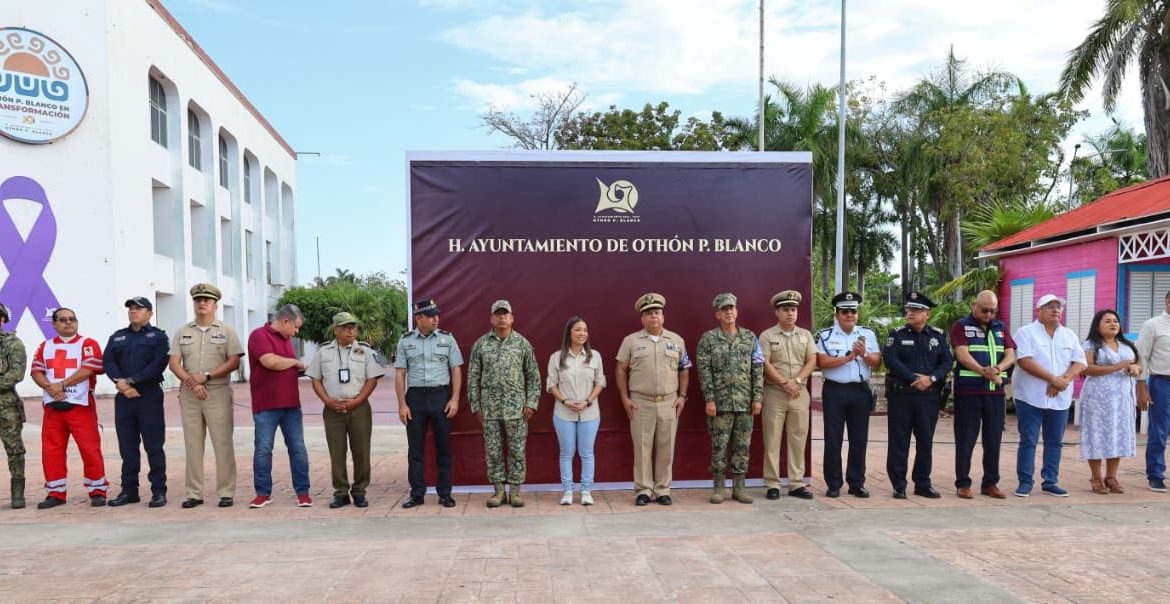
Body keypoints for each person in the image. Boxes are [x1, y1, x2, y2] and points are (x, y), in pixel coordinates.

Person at [168, 283, 244, 508]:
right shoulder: (183, 331)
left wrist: (207, 377)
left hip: (217, 392)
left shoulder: (226, 331)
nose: (202, 303)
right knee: (192, 444)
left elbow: (234, 361)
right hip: (190, 394)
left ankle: (226, 492)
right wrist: (193, 382)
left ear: (215, 305)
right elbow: (174, 363)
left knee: (222, 443)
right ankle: (194, 493)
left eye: (207, 300)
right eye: (198, 300)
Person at [616, 292, 692, 506]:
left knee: (666, 448)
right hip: (641, 403)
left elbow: (684, 370)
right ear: (642, 318)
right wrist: (624, 398)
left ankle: (663, 489)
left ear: (663, 316)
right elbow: (620, 369)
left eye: (657, 313)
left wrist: (683, 396)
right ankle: (643, 489)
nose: (654, 317)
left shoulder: (676, 340)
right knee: (642, 448)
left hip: (669, 402)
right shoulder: (631, 341)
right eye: (649, 314)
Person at [29, 308, 108, 508]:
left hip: (80, 406)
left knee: (90, 449)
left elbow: (90, 368)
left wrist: (60, 385)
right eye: (62, 320)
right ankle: (55, 493)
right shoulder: (44, 346)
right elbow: (36, 371)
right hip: (52, 407)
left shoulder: (87, 344)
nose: (68, 323)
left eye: (72, 319)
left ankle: (97, 490)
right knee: (51, 450)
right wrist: (50, 388)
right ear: (54, 324)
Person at [467, 300, 540, 508]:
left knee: (517, 450)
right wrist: (476, 406)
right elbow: (473, 377)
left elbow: (534, 375)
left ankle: (515, 492)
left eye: (505, 314)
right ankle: (498, 492)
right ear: (491, 318)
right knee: (493, 451)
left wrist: (531, 403)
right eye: (497, 314)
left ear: (512, 318)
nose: (501, 317)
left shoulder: (522, 344)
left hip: (517, 409)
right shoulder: (481, 345)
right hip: (489, 410)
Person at [1012, 294, 1087, 497]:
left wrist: (1063, 379)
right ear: (1038, 311)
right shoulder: (1025, 332)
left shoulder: (1069, 335)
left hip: (1060, 397)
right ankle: (1025, 482)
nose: (1056, 310)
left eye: (1058, 307)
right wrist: (1052, 379)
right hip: (1030, 396)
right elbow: (1024, 361)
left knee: (1055, 441)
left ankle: (1050, 481)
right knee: (1029, 440)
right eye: (1050, 306)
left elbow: (1080, 362)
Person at [308, 312, 384, 509]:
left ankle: (359, 491)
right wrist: (327, 401)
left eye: (353, 327)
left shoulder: (365, 351)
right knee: (337, 453)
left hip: (358, 408)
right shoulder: (323, 352)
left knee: (361, 452)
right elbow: (315, 379)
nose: (351, 330)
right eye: (345, 327)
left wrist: (357, 401)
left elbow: (372, 379)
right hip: (333, 409)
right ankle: (341, 492)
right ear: (336, 330)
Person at [882, 291, 953, 499]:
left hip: (928, 397)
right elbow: (891, 360)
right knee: (899, 441)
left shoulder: (937, 336)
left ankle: (922, 483)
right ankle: (899, 484)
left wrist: (930, 379)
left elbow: (947, 362)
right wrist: (914, 378)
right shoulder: (897, 334)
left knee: (925, 441)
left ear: (927, 314)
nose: (910, 313)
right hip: (901, 396)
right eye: (909, 309)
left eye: (915, 310)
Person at [395, 298, 463, 509]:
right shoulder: (405, 341)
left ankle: (445, 493)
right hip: (415, 398)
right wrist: (402, 404)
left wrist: (455, 399)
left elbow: (456, 370)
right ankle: (417, 493)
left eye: (437, 315)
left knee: (444, 448)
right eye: (430, 316)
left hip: (440, 397)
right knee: (415, 450)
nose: (436, 319)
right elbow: (400, 374)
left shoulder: (447, 339)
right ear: (418, 318)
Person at [696, 293, 763, 505]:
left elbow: (758, 368)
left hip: (744, 402)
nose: (729, 312)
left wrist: (757, 398)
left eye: (732, 308)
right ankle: (718, 487)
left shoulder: (751, 337)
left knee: (743, 446)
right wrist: (710, 399)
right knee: (719, 445)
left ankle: (739, 488)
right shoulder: (708, 339)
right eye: (724, 309)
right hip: (720, 404)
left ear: (737, 311)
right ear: (717, 314)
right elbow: (704, 371)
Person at [105, 296, 171, 508]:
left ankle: (158, 491)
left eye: (139, 308)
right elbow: (108, 361)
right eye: (131, 308)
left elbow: (158, 363)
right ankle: (129, 490)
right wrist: (122, 384)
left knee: (154, 446)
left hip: (148, 395)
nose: (133, 311)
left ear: (149, 314)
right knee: (127, 446)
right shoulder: (118, 337)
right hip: (124, 397)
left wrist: (132, 381)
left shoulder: (158, 337)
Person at [950, 290, 1016, 499]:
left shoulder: (1001, 327)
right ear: (973, 305)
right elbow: (962, 355)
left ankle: (990, 483)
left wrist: (997, 369)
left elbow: (1011, 354)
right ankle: (963, 483)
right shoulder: (961, 326)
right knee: (966, 439)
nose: (988, 315)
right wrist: (985, 372)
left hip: (994, 394)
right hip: (968, 392)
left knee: (993, 439)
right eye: (984, 310)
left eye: (992, 311)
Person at [816, 292, 881, 498]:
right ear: (837, 314)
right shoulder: (825, 335)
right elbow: (823, 362)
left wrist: (863, 354)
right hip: (835, 390)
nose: (850, 315)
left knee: (859, 439)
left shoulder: (867, 335)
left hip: (860, 391)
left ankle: (856, 482)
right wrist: (848, 357)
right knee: (833, 439)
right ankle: (834, 483)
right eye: (845, 311)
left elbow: (877, 361)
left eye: (853, 311)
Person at [247, 304, 310, 509]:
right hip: (266, 405)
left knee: (298, 448)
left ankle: (303, 492)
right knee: (263, 449)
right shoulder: (259, 336)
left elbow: (283, 365)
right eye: (295, 327)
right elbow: (269, 361)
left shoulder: (288, 340)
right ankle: (263, 493)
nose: (296, 332)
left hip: (291, 404)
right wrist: (294, 363)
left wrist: (296, 367)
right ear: (285, 321)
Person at [759, 290, 817, 500]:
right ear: (777, 312)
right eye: (785, 310)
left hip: (799, 393)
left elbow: (812, 360)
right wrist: (784, 382)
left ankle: (796, 483)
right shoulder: (767, 336)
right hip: (775, 392)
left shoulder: (806, 335)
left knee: (798, 439)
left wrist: (798, 381)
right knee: (772, 439)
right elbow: (764, 363)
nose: (790, 313)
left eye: (793, 309)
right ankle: (772, 483)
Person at [1080, 309, 1141, 494]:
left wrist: (1135, 370)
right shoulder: (1091, 344)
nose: (1113, 324)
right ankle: (1096, 478)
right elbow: (1087, 369)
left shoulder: (1126, 345)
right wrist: (1118, 366)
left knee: (1116, 435)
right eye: (1107, 321)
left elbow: (1138, 364)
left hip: (1121, 400)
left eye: (1115, 321)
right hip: (1097, 399)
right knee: (1097, 435)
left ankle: (1111, 477)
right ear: (1097, 325)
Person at [546, 315, 605, 506]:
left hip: (590, 412)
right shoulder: (556, 357)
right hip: (564, 413)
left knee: (587, 452)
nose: (582, 333)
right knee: (566, 452)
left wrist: (588, 400)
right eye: (578, 330)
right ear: (569, 333)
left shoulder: (594, 356)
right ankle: (568, 491)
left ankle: (586, 490)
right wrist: (566, 401)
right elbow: (551, 384)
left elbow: (600, 382)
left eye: (585, 330)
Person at [1137, 290, 1170, 492]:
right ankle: (1156, 474)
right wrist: (1141, 384)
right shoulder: (1153, 325)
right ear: (1168, 300)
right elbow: (1142, 355)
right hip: (1162, 383)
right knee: (1159, 430)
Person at [0, 302, 28, 508]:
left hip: (5, 404)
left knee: (14, 449)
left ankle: (17, 492)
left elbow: (15, 374)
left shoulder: (12, 344)